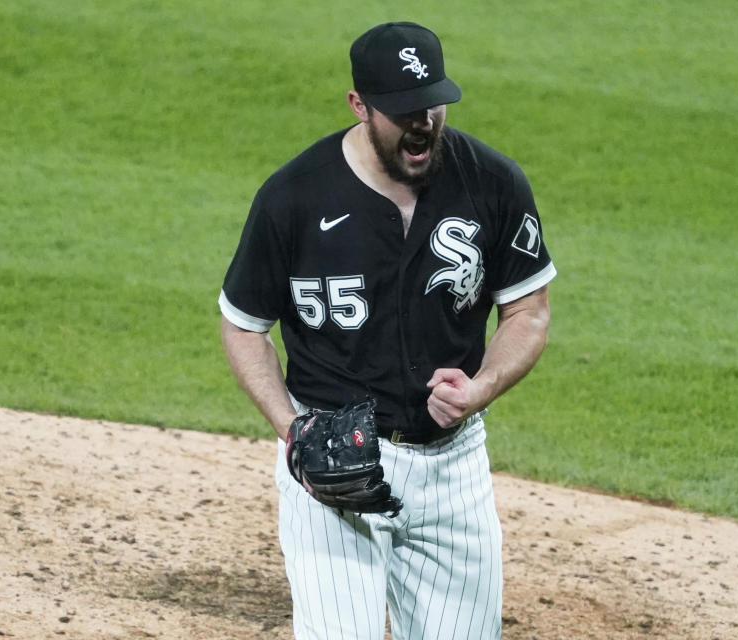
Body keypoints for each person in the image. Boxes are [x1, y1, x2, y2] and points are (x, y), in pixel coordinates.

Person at [219, 21, 555, 640]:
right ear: (360, 106)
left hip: (453, 470)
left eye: (432, 104)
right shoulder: (293, 197)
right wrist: (294, 431)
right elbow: (243, 326)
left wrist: (483, 387)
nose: (422, 122)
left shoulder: (493, 182)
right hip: (332, 471)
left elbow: (527, 310)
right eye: (401, 110)